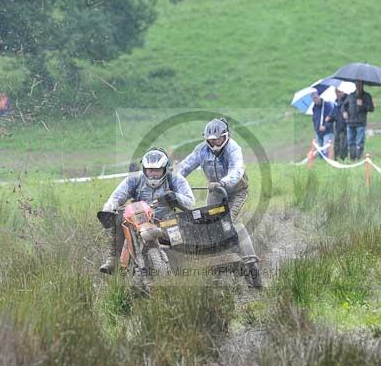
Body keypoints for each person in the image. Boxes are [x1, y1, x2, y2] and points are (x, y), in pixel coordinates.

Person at [176, 118, 263, 288]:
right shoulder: (201, 150)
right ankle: (215, 262)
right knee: (209, 224)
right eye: (211, 140)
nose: (214, 142)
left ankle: (249, 262)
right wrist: (173, 182)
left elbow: (237, 170)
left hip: (236, 192)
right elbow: (184, 167)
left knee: (227, 222)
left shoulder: (233, 148)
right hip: (216, 192)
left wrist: (223, 182)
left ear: (226, 137)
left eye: (218, 139)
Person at [99, 148, 195, 274]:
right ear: (144, 169)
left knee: (181, 255)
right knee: (118, 218)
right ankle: (113, 258)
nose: (153, 174)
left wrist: (175, 197)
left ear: (165, 169)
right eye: (150, 170)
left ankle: (183, 268)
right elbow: (117, 196)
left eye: (157, 170)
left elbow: (190, 202)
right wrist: (108, 208)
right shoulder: (134, 179)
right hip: (138, 221)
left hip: (167, 222)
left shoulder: (176, 179)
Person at [342, 81, 374, 160]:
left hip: (360, 123)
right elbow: (343, 106)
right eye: (356, 84)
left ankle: (358, 159)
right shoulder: (351, 96)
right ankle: (352, 160)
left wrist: (362, 105)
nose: (358, 86)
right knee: (350, 142)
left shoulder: (367, 96)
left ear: (362, 85)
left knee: (360, 142)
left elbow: (371, 109)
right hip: (350, 122)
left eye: (359, 84)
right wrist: (344, 112)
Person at [310, 91, 335, 159]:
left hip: (328, 132)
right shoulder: (314, 108)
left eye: (315, 98)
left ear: (319, 96)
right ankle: (322, 165)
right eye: (313, 99)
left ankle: (327, 164)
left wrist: (325, 126)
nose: (314, 100)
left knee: (325, 150)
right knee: (320, 151)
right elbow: (314, 119)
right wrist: (316, 129)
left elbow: (331, 117)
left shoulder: (327, 105)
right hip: (318, 133)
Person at [332, 88, 349, 160]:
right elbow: (334, 114)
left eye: (338, 92)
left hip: (346, 125)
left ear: (342, 91)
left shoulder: (348, 100)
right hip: (337, 126)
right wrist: (330, 118)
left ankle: (343, 159)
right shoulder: (336, 102)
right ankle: (336, 159)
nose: (337, 94)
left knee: (344, 145)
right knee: (336, 144)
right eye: (336, 93)